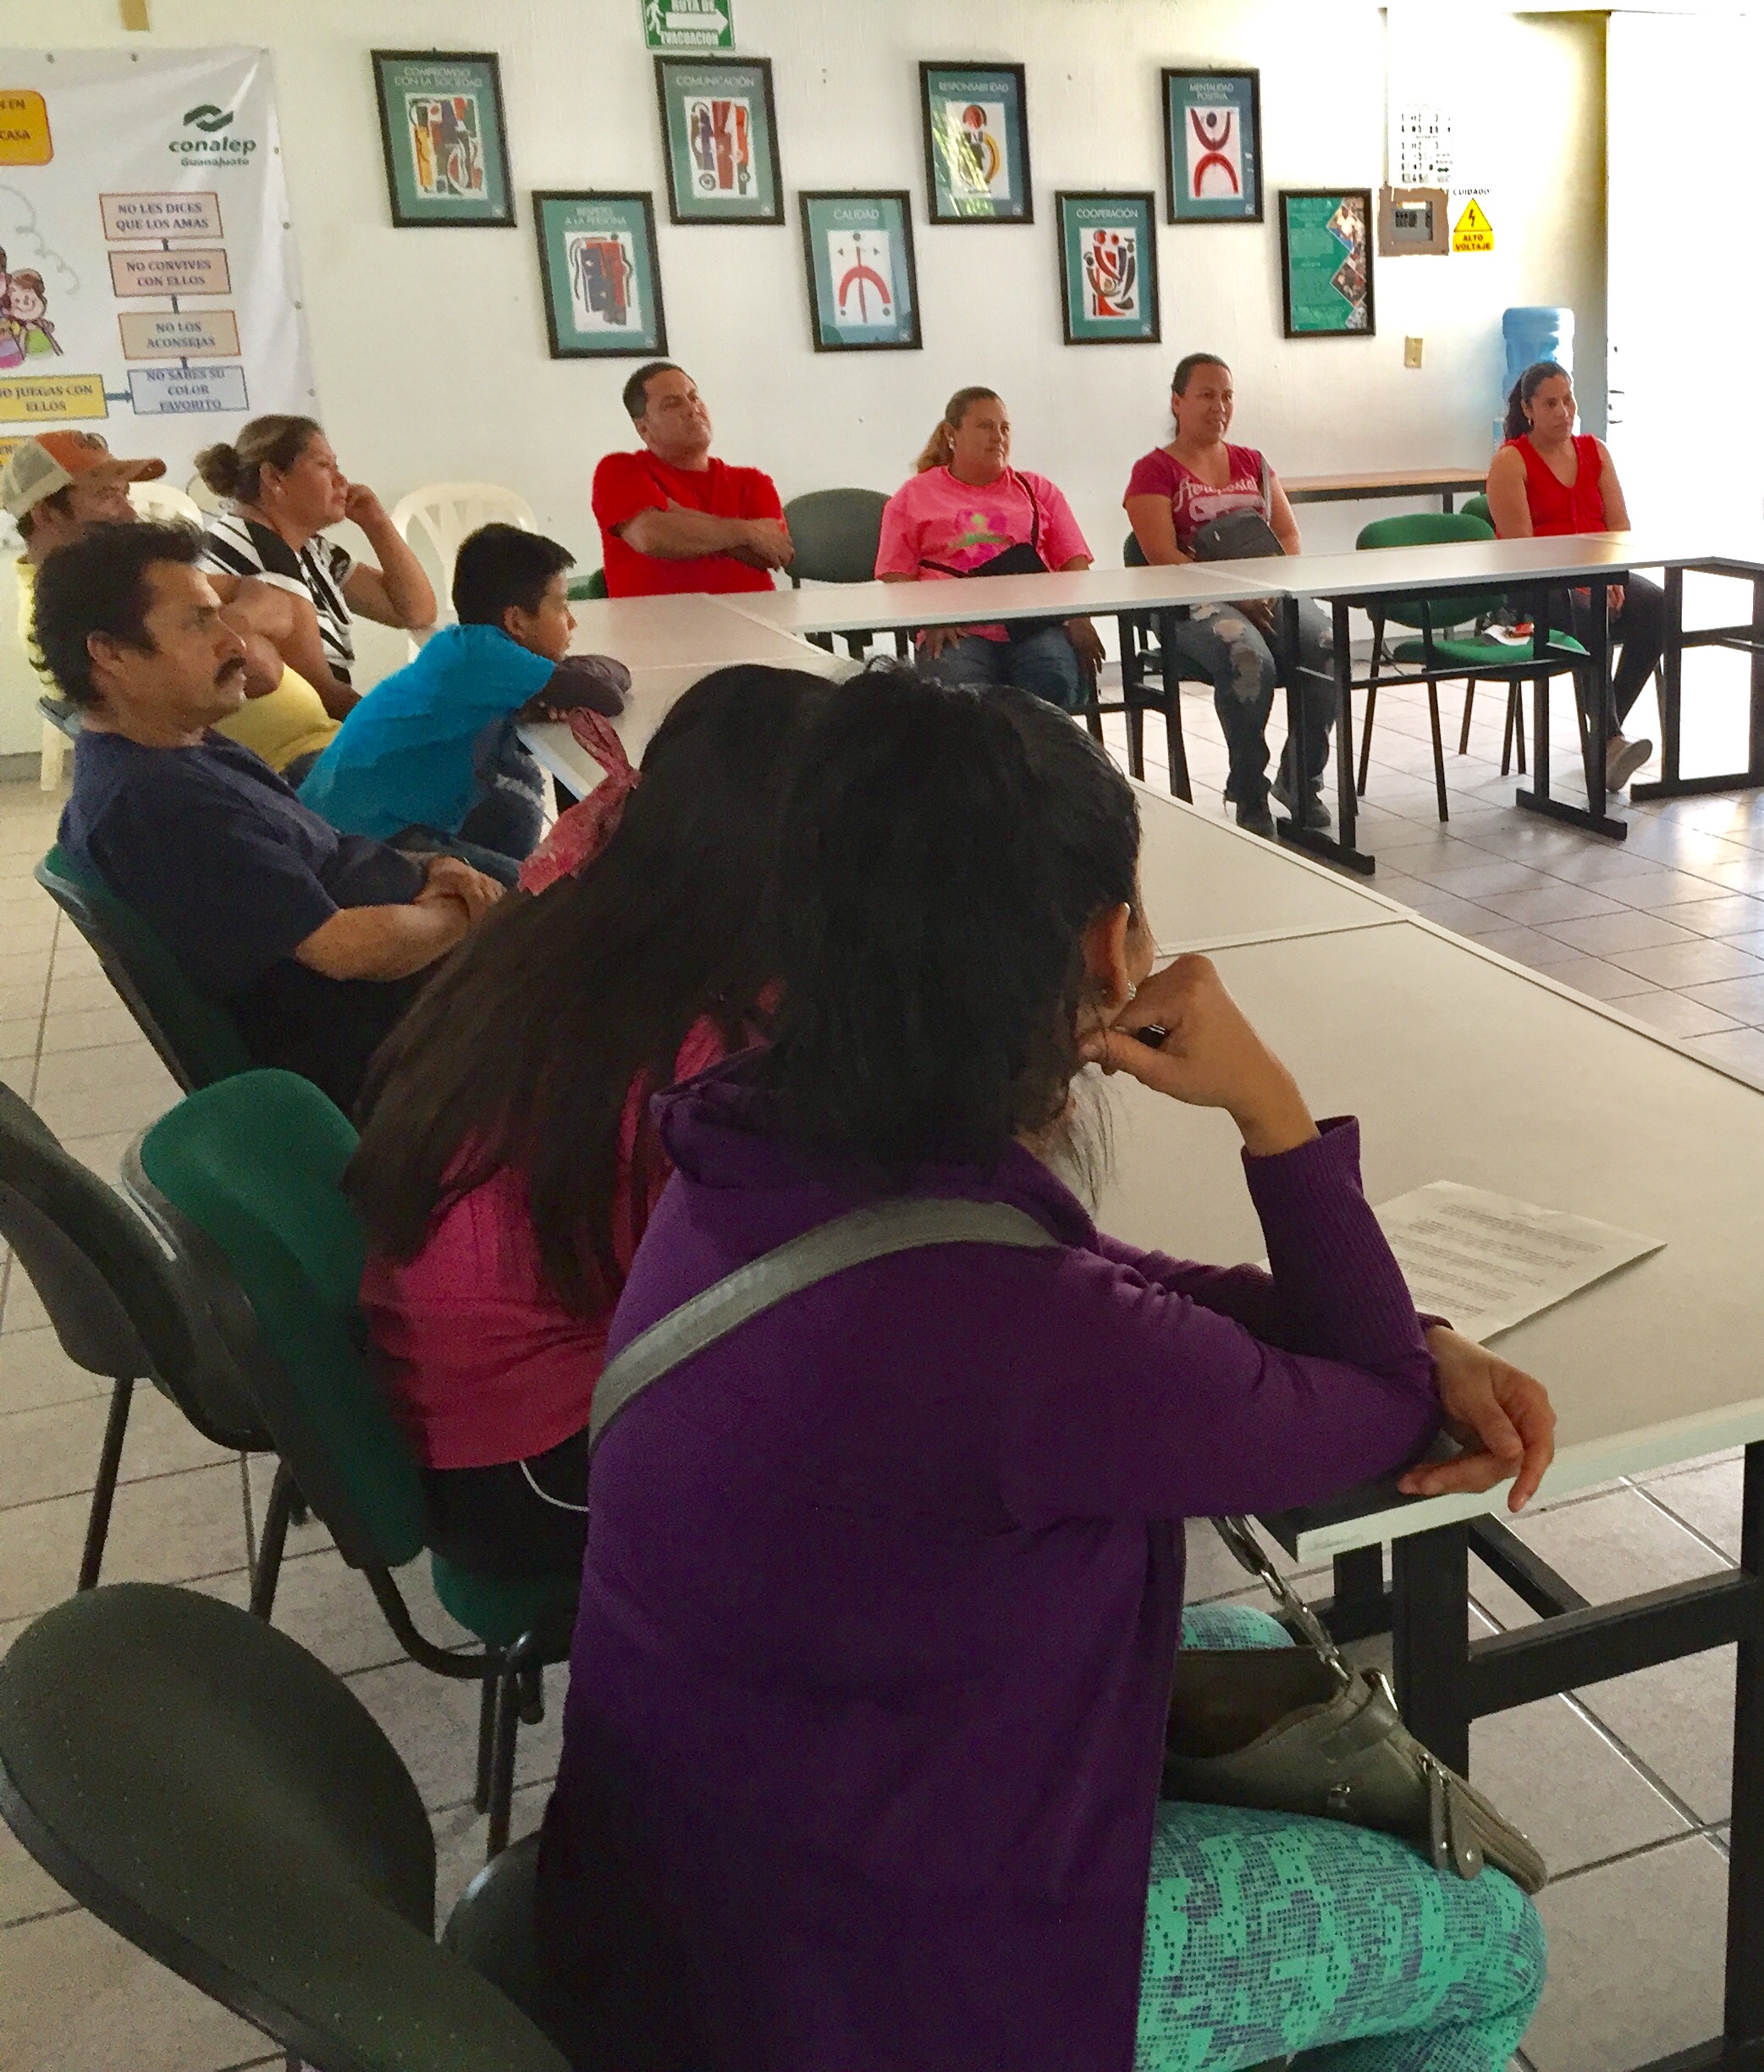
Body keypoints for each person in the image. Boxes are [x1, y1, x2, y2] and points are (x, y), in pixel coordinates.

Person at [537, 672, 1552, 2072]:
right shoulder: (1011, 1334)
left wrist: (1425, 1337)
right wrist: (1267, 1106)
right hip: (873, 1991)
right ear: (1107, 941)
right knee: (1488, 1940)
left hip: (691, 1897)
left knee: (1263, 1655)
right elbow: (1359, 1402)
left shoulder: (749, 1147)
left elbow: (1106, 1293)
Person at [345, 665, 829, 1577]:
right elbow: (775, 1288)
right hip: (535, 1463)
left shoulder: (594, 908)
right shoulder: (702, 1042)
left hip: (490, 1393)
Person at [33, 524, 499, 1108]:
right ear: (111, 653)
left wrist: (434, 870)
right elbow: (344, 951)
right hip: (408, 1049)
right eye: (199, 623)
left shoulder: (183, 743)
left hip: (427, 979)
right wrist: (470, 917)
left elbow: (319, 848)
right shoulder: (159, 804)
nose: (236, 643)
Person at [300, 526, 631, 881]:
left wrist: (553, 688)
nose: (572, 620)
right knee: (535, 896)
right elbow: (607, 694)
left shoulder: (461, 646)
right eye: (561, 606)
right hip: (364, 840)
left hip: (342, 815)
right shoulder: (489, 656)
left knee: (514, 779)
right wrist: (573, 677)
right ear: (516, 620)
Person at [7, 432, 340, 782]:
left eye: (124, 494)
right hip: (281, 774)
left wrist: (224, 624)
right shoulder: (49, 619)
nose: (128, 512)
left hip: (320, 747)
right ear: (46, 512)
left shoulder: (140, 575)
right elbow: (261, 671)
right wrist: (244, 632)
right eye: (106, 495)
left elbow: (275, 601)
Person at [1125, 353, 1337, 837]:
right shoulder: (1153, 472)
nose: (1218, 406)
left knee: (1327, 644)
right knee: (1247, 657)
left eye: (1227, 395)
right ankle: (1248, 787)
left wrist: (1261, 589)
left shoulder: (1254, 464)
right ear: (1177, 402)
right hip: (1190, 602)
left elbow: (1290, 538)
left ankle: (1300, 778)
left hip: (1266, 592)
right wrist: (1234, 594)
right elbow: (1159, 555)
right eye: (1205, 394)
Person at [1484, 360, 1665, 791]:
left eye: (1568, 400)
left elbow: (1619, 528)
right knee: (1584, 612)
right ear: (1528, 409)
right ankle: (1608, 739)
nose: (1564, 411)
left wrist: (1614, 577)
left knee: (1659, 605)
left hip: (1598, 576)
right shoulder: (1512, 461)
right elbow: (1523, 554)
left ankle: (1602, 737)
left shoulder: (1595, 451)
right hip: (1536, 589)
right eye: (1550, 404)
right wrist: (1585, 583)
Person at [875, 385, 1104, 711]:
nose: (998, 436)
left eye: (1004, 428)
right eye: (985, 426)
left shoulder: (1037, 489)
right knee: (959, 698)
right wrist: (930, 619)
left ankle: (1038, 761)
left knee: (1051, 679)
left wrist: (1080, 620)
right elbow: (896, 576)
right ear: (951, 434)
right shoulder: (912, 496)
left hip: (1033, 623)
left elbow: (1075, 565)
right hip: (954, 630)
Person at [193, 415, 438, 709]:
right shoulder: (255, 549)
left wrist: (377, 525)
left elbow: (415, 612)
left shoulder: (308, 547)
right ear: (274, 478)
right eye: (324, 466)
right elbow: (324, 696)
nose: (342, 481)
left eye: (338, 467)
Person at [592, 361, 793, 597]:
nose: (692, 409)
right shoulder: (619, 469)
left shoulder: (752, 481)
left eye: (694, 397)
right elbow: (652, 536)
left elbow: (776, 553)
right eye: (672, 404)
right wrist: (749, 532)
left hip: (755, 626)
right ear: (643, 428)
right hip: (656, 631)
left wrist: (675, 515)